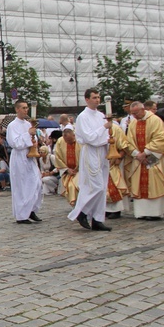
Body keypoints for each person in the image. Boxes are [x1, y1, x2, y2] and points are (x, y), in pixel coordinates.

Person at [67, 89, 112, 231]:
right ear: (87, 99)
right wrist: (104, 127)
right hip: (90, 151)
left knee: (103, 186)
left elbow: (104, 135)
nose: (97, 100)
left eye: (98, 97)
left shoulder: (101, 115)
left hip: (102, 151)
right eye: (94, 97)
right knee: (96, 185)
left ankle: (98, 219)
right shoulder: (83, 116)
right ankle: (82, 211)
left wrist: (110, 139)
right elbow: (89, 137)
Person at [125, 101, 164, 220]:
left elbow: (160, 139)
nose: (134, 116)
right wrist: (137, 154)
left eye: (136, 113)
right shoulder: (133, 123)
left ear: (143, 109)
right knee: (139, 182)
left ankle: (155, 212)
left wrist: (146, 152)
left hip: (153, 157)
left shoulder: (155, 120)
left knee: (154, 181)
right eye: (132, 113)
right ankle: (142, 212)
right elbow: (129, 141)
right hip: (139, 158)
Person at [6, 100, 43, 224]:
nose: (26, 110)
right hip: (20, 157)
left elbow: (33, 138)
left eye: (27, 108)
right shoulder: (12, 125)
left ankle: (31, 209)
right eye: (23, 108)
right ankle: (22, 215)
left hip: (30, 156)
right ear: (17, 109)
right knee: (22, 186)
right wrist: (28, 134)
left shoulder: (28, 124)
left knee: (36, 183)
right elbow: (14, 143)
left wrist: (34, 140)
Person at [105, 122, 129, 219]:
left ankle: (116, 209)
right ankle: (105, 209)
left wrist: (120, 157)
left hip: (113, 162)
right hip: (100, 162)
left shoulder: (115, 129)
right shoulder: (95, 130)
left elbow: (124, 145)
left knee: (115, 184)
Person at [54, 128, 80, 206]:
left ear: (74, 135)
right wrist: (67, 169)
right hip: (67, 171)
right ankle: (76, 208)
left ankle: (81, 208)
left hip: (80, 170)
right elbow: (57, 157)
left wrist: (78, 168)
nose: (69, 142)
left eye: (70, 140)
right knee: (70, 186)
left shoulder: (80, 141)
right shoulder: (60, 141)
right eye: (67, 141)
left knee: (76, 186)